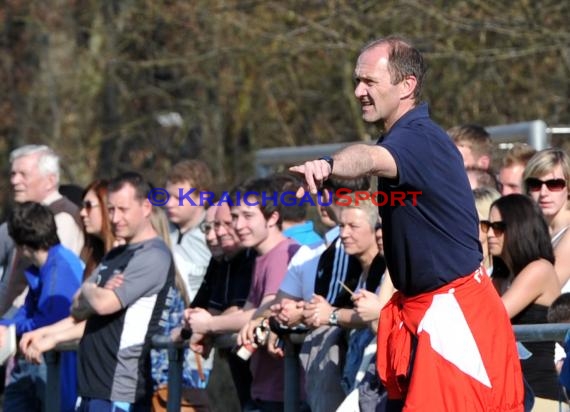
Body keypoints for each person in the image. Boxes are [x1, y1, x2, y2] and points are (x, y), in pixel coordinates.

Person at [290, 35, 523, 411]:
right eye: (357, 81)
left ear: (407, 85)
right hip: (426, 313)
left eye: (369, 82)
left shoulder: (418, 140)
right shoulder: (405, 138)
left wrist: (329, 165)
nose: (358, 91)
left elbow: (367, 157)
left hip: (455, 319)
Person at [73, 172, 174, 410]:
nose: (115, 218)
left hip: (119, 390)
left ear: (146, 207)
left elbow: (102, 304)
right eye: (111, 210)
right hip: (90, 387)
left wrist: (88, 290)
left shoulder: (154, 255)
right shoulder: (115, 254)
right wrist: (93, 291)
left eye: (123, 209)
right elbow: (75, 308)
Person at [0, 202, 83, 411]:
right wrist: (6, 324)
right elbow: (28, 310)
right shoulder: (44, 267)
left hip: (54, 365)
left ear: (22, 245)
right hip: (33, 361)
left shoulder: (60, 268)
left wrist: (12, 329)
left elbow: (51, 319)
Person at [488, 194, 561, 410]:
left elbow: (490, 315)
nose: (490, 234)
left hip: (540, 398)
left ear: (520, 228)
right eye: (487, 226)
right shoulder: (500, 279)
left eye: (498, 227)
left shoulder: (540, 269)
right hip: (508, 396)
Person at [0, 145, 84, 316]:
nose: (14, 181)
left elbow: (50, 283)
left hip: (34, 326)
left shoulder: (63, 219)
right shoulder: (22, 218)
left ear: (50, 181)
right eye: (13, 174)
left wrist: (11, 323)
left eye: (23, 174)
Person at [523, 148, 570, 291]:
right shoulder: (532, 231)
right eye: (535, 184)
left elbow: (549, 287)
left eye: (554, 184)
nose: (543, 193)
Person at [165, 160, 213, 300]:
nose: (169, 204)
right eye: (168, 196)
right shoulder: (158, 228)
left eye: (178, 197)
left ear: (202, 197)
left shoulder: (215, 234)